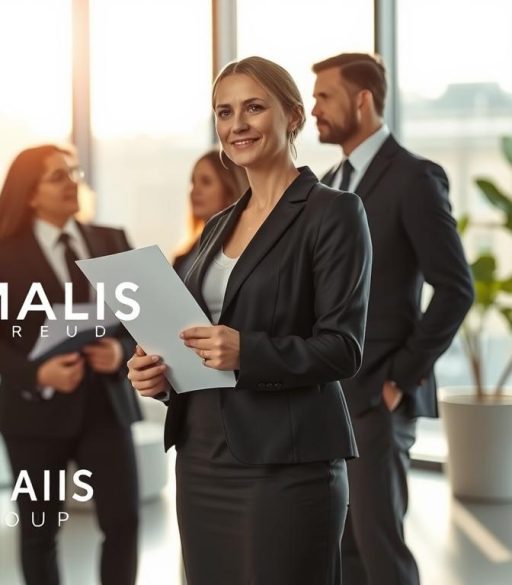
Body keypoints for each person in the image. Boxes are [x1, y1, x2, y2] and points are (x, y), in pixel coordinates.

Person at [127, 56, 371, 584]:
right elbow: (197, 336)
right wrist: (158, 372)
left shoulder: (333, 212)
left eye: (253, 108)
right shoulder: (217, 226)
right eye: (224, 112)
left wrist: (248, 351)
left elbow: (343, 348)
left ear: (293, 116)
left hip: (285, 465)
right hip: (200, 456)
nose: (236, 124)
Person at [312, 53, 474, 585]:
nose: (314, 109)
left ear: (362, 100)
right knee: (341, 549)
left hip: (380, 398)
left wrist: (400, 380)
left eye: (324, 97)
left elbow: (455, 289)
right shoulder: (328, 183)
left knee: (380, 549)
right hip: (328, 397)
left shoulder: (414, 178)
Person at [0, 145, 141, 585]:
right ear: (29, 193)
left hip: (106, 404)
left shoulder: (111, 241)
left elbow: (141, 318)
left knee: (123, 523)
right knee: (39, 532)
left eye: (73, 173)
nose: (71, 183)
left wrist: (120, 351)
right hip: (33, 413)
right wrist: (36, 373)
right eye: (56, 177)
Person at [172, 149, 248, 276]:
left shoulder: (239, 248)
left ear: (229, 189)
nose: (195, 190)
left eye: (206, 182)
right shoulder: (187, 252)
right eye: (193, 182)